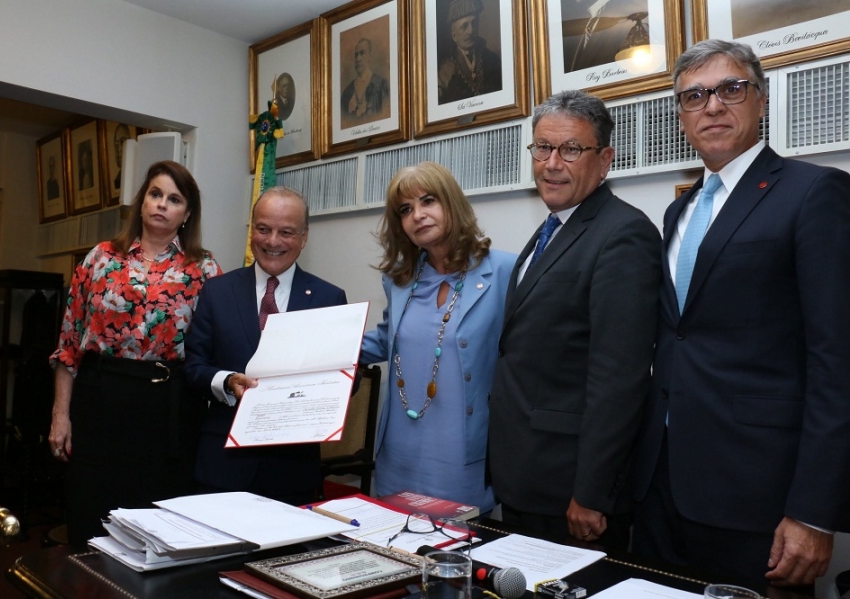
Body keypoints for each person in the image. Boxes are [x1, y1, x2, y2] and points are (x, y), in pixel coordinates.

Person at [632, 39, 850, 588]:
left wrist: (814, 512)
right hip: (660, 487)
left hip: (759, 496)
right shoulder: (678, 211)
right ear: (681, 117)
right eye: (694, 96)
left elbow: (838, 362)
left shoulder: (814, 192)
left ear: (761, 99)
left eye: (730, 89)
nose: (712, 106)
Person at [488, 89, 661, 551]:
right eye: (543, 147)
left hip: (571, 490)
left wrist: (592, 492)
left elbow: (619, 377)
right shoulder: (554, 228)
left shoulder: (623, 234)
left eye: (570, 149)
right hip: (526, 473)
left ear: (604, 160)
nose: (551, 163)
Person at [48, 160, 221, 545]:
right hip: (99, 401)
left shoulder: (204, 269)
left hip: (168, 410)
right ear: (141, 201)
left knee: (157, 529)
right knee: (92, 519)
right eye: (155, 194)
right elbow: (68, 345)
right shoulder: (100, 258)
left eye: (174, 199)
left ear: (187, 214)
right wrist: (60, 415)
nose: (162, 204)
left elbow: (214, 351)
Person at [359, 162, 516, 514]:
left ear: (451, 203)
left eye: (428, 201)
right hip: (399, 453)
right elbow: (388, 340)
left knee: (460, 543)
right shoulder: (399, 280)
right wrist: (316, 351)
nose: (418, 215)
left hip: (463, 456)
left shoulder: (505, 271)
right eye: (405, 209)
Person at [185, 186, 347, 505]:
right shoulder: (217, 292)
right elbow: (193, 368)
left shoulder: (329, 299)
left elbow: (345, 382)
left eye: (286, 232)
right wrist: (227, 382)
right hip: (223, 466)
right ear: (252, 231)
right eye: (263, 229)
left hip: (291, 471)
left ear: (304, 237)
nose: (273, 241)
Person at [437, 0, 502, 104]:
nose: (471, 31)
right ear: (454, 35)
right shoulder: (445, 71)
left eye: (474, 23)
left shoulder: (492, 60)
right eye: (464, 26)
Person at [340, 38, 389, 125]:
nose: (358, 59)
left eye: (362, 53)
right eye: (356, 55)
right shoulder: (346, 93)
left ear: (370, 56)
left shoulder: (381, 85)